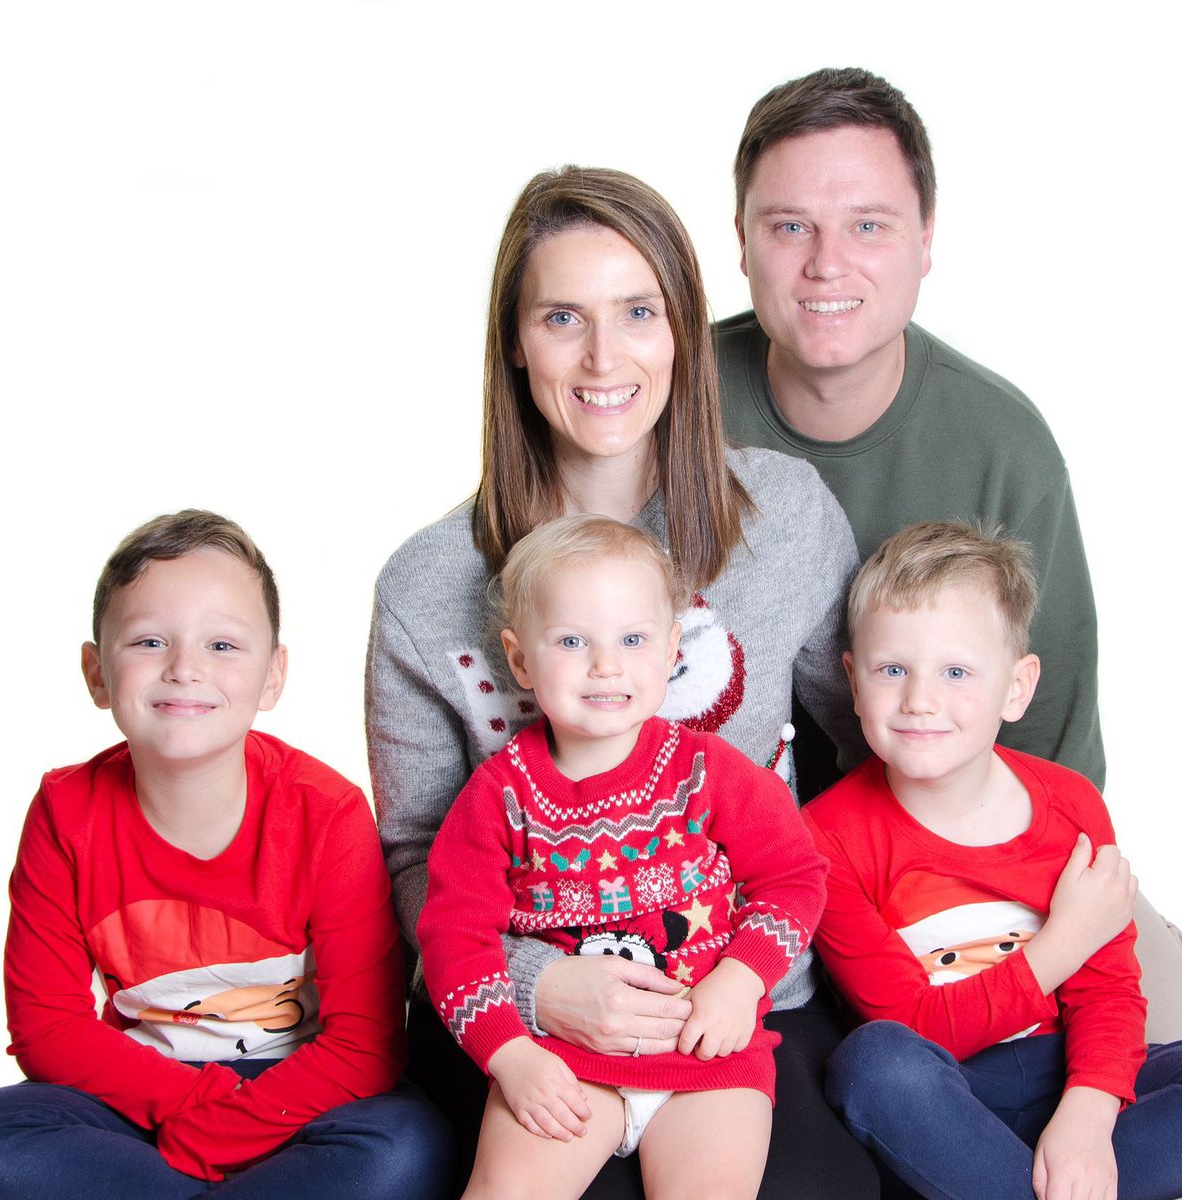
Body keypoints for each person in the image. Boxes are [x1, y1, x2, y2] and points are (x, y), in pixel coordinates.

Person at [367, 166, 878, 1197]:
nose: (605, 357)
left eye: (638, 311)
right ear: (515, 340)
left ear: (684, 329)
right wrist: (538, 987)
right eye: (563, 317)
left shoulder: (786, 518)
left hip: (742, 1003)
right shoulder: (428, 587)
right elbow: (419, 857)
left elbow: (876, 751)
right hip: (524, 1011)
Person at [0, 510, 452, 1200]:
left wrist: (224, 1132)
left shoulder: (326, 812)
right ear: (96, 672)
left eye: (223, 646)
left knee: (408, 1146)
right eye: (148, 640)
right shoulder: (66, 811)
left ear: (272, 676)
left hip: (307, 1094)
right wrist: (195, 1111)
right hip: (140, 1094)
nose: (184, 669)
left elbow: (364, 1044)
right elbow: (48, 1026)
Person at [419, 515, 828, 1199]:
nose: (606, 665)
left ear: (671, 651)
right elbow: (453, 938)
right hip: (563, 1060)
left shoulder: (707, 771)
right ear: (520, 659)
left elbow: (794, 878)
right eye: (573, 641)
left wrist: (741, 980)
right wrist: (511, 1055)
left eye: (632, 639)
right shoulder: (499, 797)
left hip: (708, 1055)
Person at [716, 66, 1101, 790]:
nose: (827, 264)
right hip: (693, 859)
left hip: (929, 856)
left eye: (869, 225)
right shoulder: (662, 402)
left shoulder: (1005, 450)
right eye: (790, 226)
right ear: (742, 240)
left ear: (924, 240)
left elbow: (1052, 756)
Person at [803, 521, 1182, 1200]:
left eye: (955, 672)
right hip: (946, 1096)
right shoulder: (825, 837)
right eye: (894, 670)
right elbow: (913, 1026)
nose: (920, 700)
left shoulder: (1069, 805)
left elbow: (1108, 992)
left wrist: (1088, 1120)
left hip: (1069, 1077)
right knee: (872, 1065)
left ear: (1017, 686)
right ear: (855, 683)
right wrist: (1062, 941)